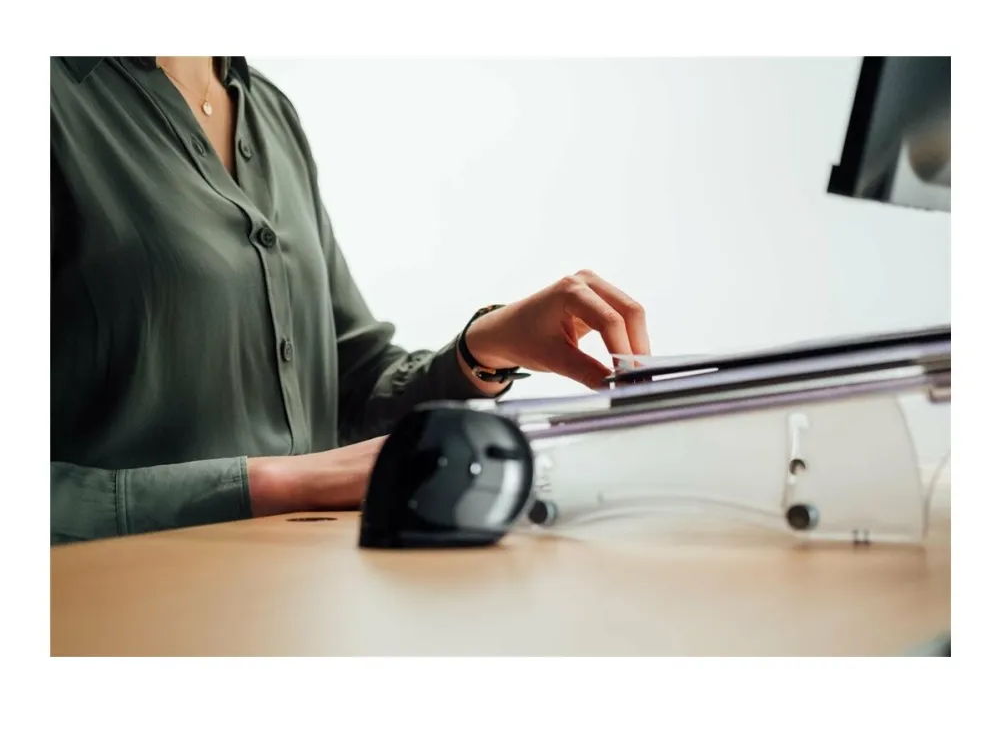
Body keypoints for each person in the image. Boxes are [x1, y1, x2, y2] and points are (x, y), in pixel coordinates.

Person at [50, 56, 651, 545]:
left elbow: (354, 386)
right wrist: (280, 482)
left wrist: (481, 349)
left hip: (302, 595)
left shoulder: (268, 109)